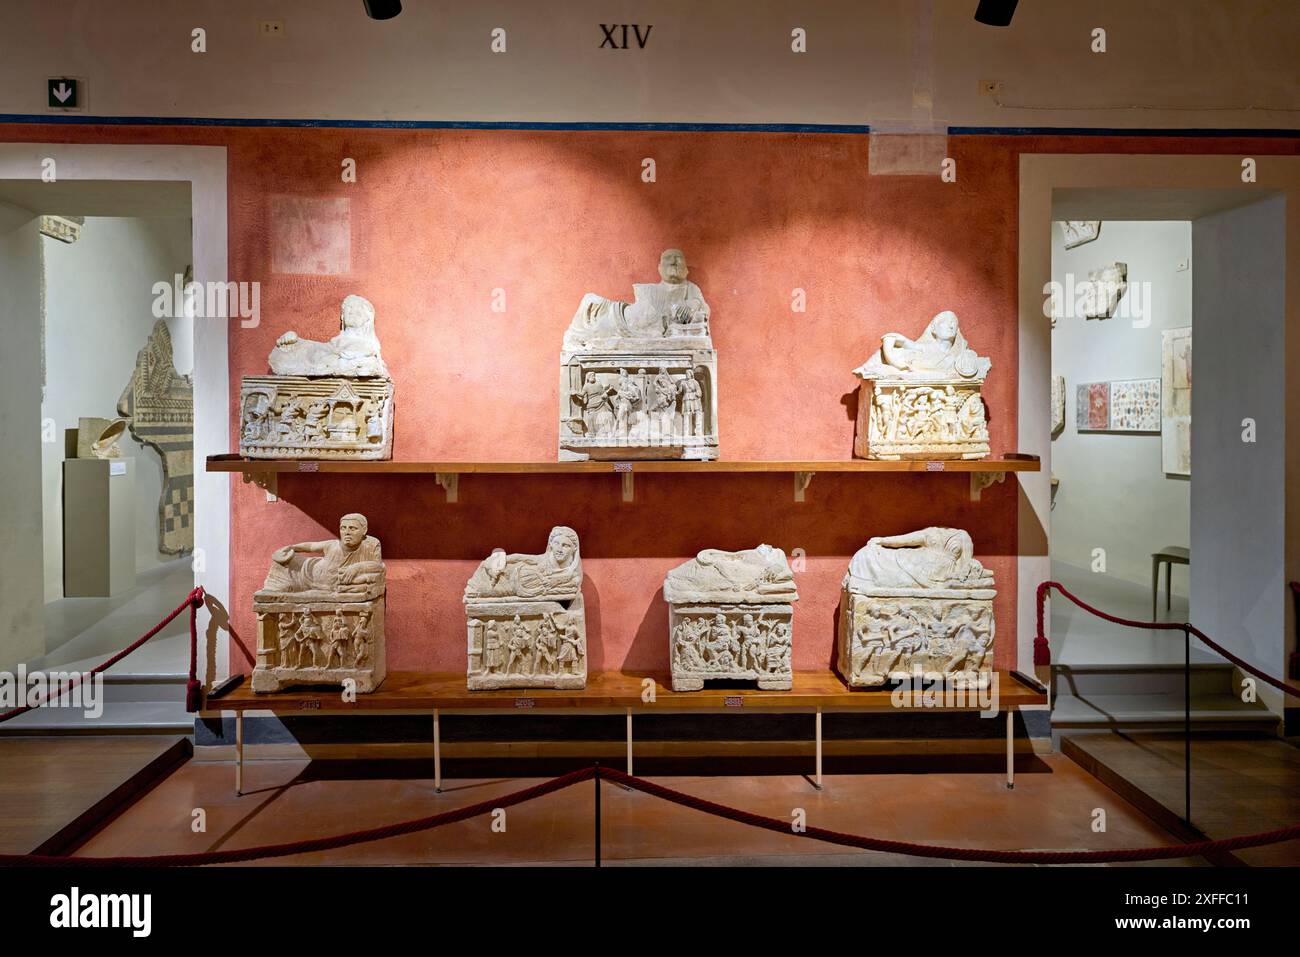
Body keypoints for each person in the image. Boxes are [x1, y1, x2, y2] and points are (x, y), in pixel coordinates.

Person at [269, 294, 390, 378]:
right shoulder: (331, 345)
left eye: (358, 308)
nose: (352, 311)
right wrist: (296, 343)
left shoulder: (368, 348)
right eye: (349, 308)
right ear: (342, 317)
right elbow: (318, 350)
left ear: (368, 318)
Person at [262, 513, 386, 595]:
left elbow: (378, 567)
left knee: (366, 582)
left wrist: (356, 567)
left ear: (364, 530)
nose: (347, 532)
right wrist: (292, 547)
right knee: (282, 569)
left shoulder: (371, 544)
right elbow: (311, 546)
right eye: (343, 528)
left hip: (328, 583)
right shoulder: (333, 545)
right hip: (306, 571)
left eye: (352, 528)